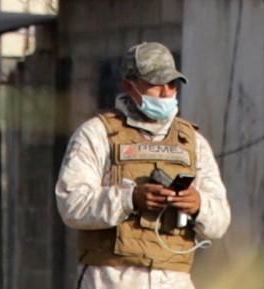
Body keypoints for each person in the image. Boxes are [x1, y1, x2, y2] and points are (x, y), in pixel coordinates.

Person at [55, 43, 229, 289]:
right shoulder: (97, 135)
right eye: (156, 84)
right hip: (111, 280)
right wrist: (130, 199)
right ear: (130, 85)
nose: (166, 92)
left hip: (173, 281)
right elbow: (70, 204)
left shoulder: (192, 142)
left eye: (171, 84)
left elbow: (220, 220)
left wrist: (198, 205)